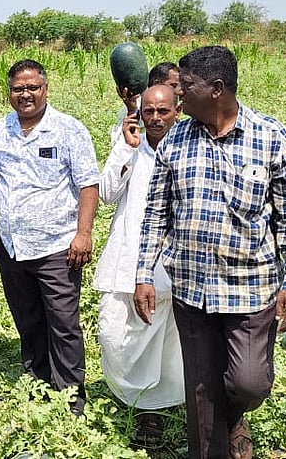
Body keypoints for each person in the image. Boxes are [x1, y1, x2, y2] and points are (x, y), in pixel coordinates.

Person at [135, 46, 286, 459]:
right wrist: (144, 272)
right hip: (191, 288)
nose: (178, 98)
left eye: (187, 87)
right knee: (201, 391)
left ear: (216, 89)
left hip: (251, 289)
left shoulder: (270, 137)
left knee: (248, 382)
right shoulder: (176, 140)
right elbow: (156, 213)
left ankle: (233, 418)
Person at [0, 59, 98, 415]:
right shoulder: (1, 130)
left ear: (45, 89)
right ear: (9, 94)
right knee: (28, 317)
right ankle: (38, 380)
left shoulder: (68, 129)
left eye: (33, 87)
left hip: (56, 246)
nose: (26, 95)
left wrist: (84, 233)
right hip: (13, 244)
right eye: (18, 89)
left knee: (62, 322)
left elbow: (88, 183)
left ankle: (71, 396)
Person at [92, 84, 184, 446]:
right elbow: (106, 193)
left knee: (164, 340)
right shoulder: (131, 145)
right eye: (149, 112)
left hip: (168, 263)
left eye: (163, 112)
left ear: (177, 111)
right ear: (139, 113)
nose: (156, 119)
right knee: (114, 332)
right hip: (126, 257)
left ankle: (154, 410)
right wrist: (125, 150)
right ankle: (129, 395)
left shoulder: (186, 150)